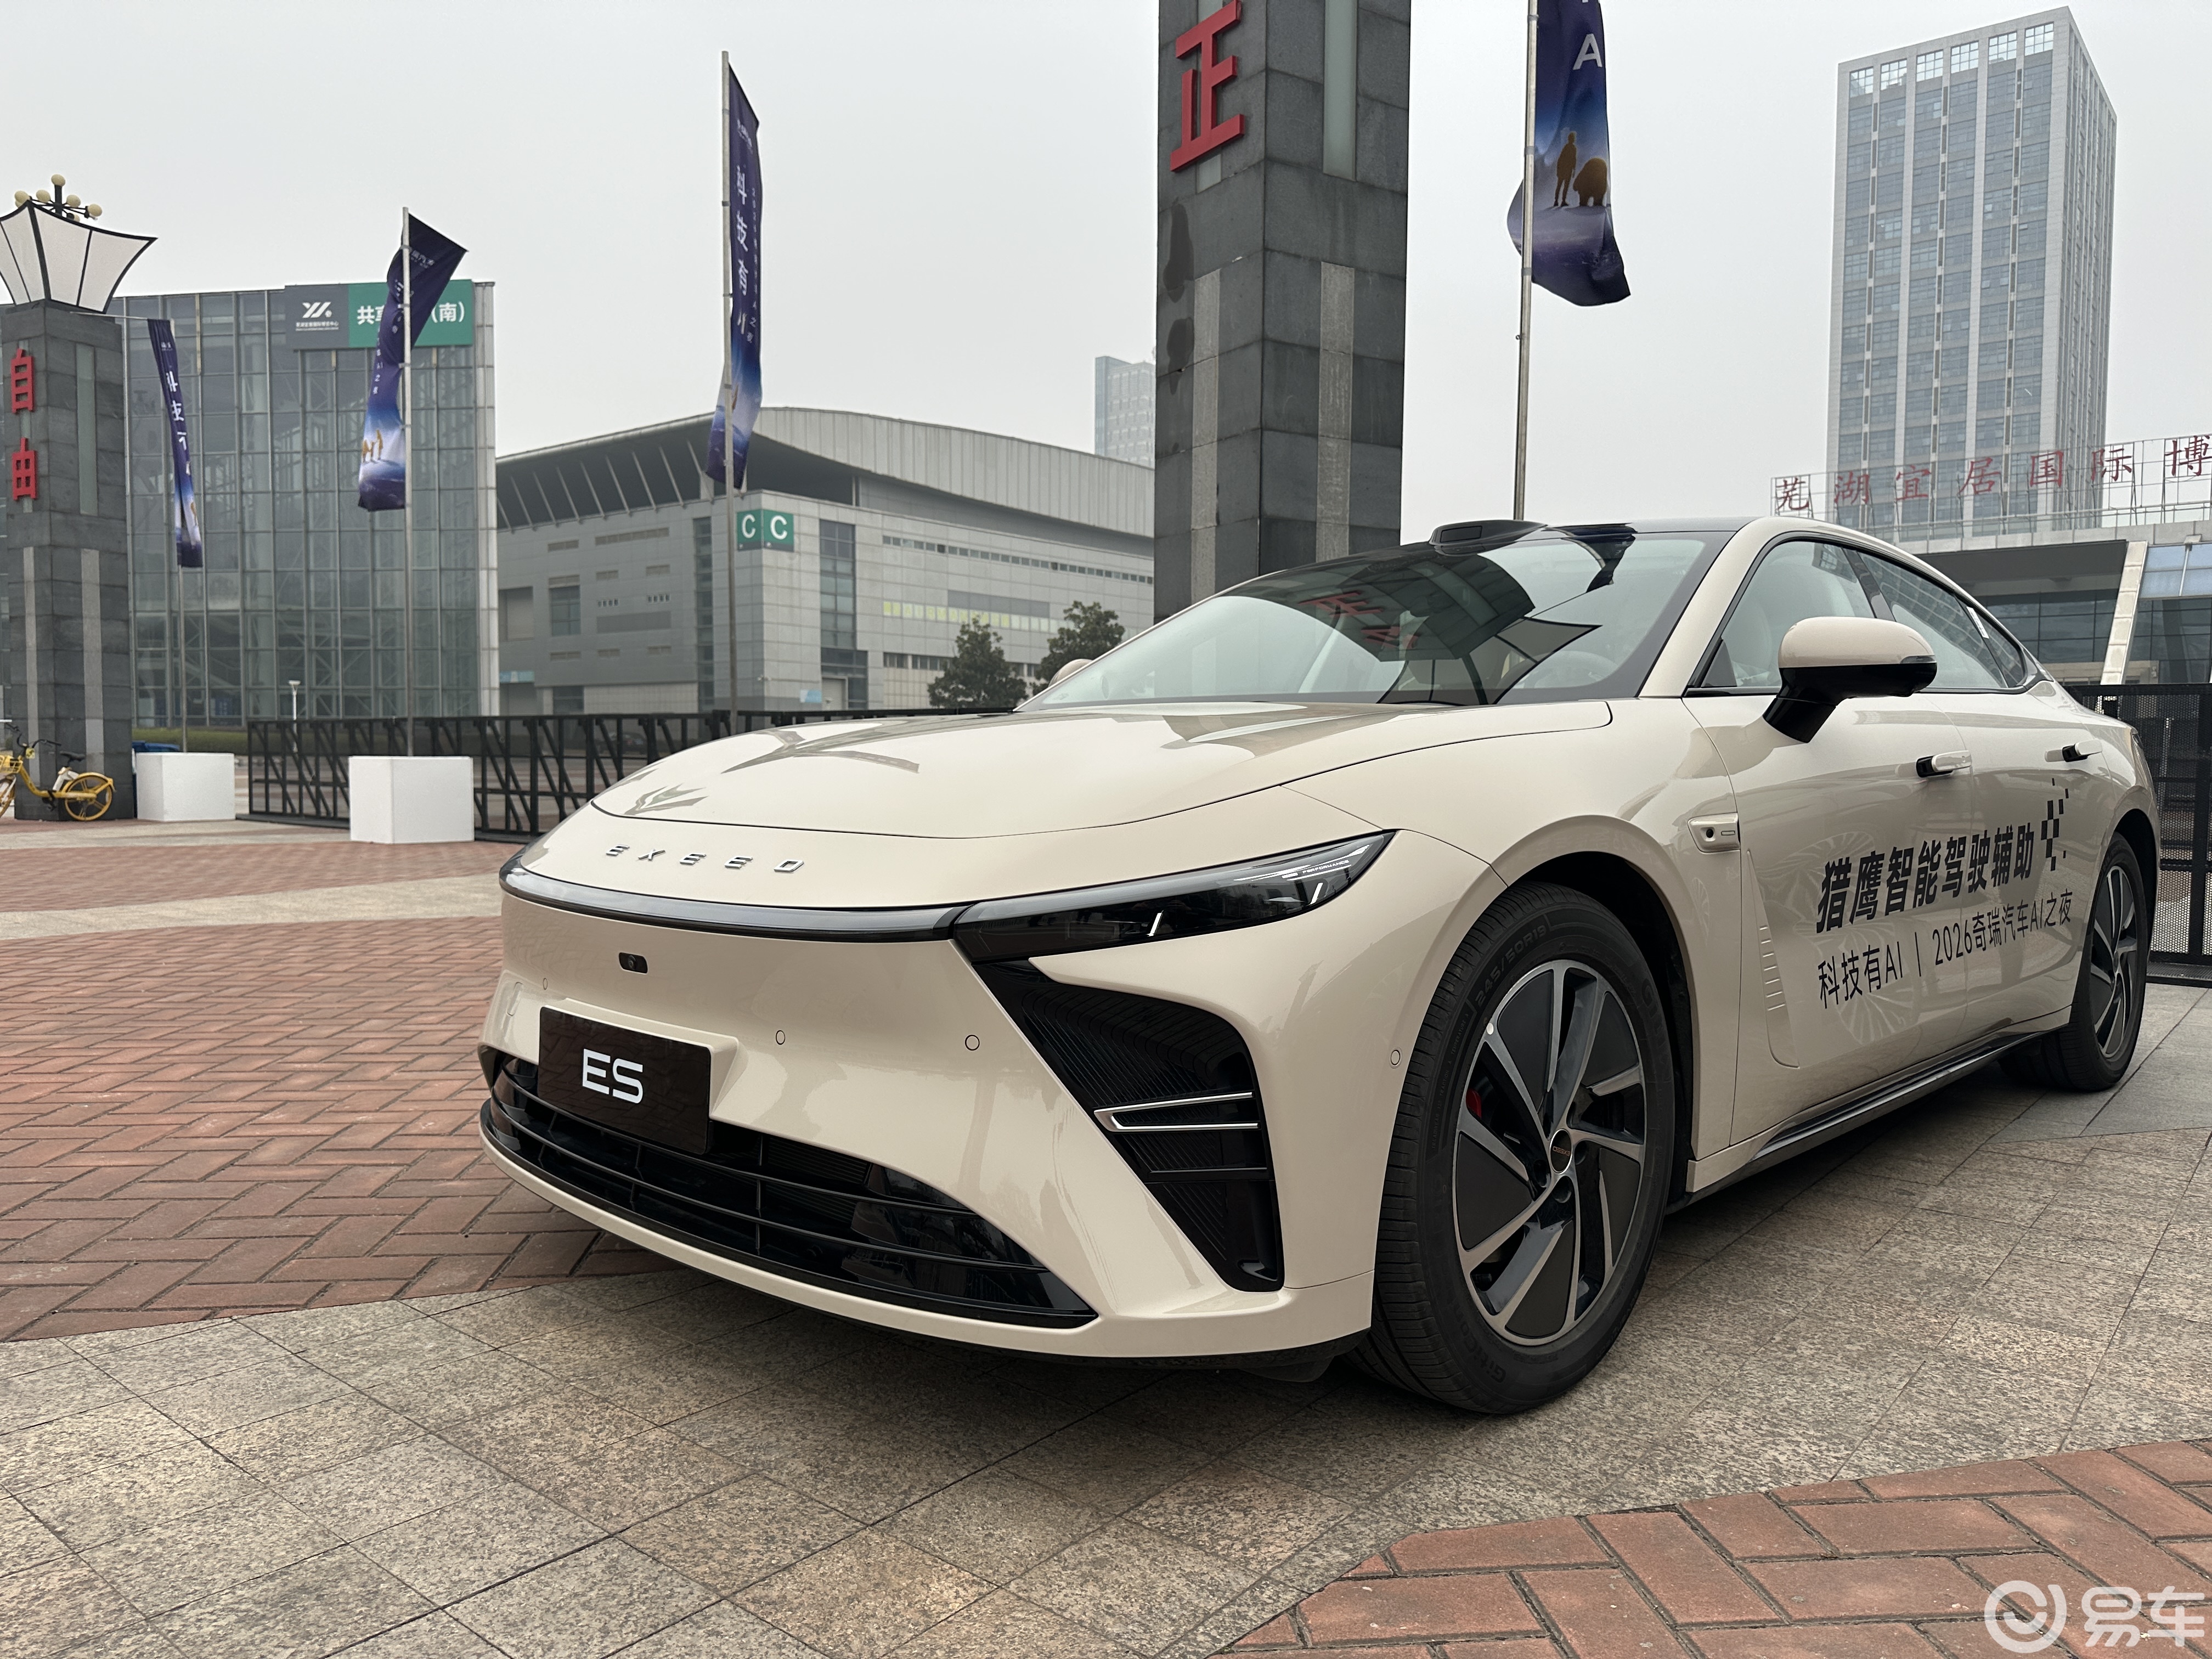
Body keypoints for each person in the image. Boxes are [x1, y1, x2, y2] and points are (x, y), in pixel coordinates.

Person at [1551, 131, 1579, 208]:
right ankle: (1558, 201)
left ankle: (1561, 201)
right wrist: (1559, 170)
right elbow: (1561, 159)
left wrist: (1573, 170)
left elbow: (1573, 160)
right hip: (1565, 170)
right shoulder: (1569, 148)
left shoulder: (1572, 148)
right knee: (1561, 186)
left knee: (1563, 186)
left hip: (1567, 170)